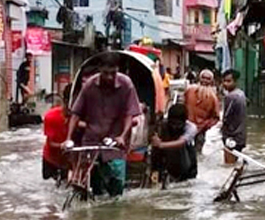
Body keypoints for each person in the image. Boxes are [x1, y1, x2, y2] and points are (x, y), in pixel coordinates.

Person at [66, 52, 142, 198]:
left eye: (113, 73)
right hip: (92, 139)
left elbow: (129, 114)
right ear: (99, 69)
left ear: (117, 70)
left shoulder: (126, 85)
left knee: (117, 182)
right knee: (86, 182)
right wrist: (68, 138)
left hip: (115, 141)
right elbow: (75, 113)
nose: (109, 77)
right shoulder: (89, 86)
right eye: (106, 73)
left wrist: (122, 136)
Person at [150, 103, 198, 183]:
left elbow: (181, 142)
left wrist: (161, 145)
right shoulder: (162, 126)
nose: (174, 127)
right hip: (166, 161)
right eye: (172, 124)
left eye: (178, 125)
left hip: (186, 162)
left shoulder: (191, 128)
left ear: (184, 121)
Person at [184, 69, 220, 154]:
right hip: (186, 126)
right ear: (199, 78)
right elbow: (182, 105)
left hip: (200, 130)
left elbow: (216, 117)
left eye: (208, 79)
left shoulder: (213, 97)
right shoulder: (190, 90)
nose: (205, 81)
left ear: (211, 81)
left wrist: (204, 126)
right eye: (203, 78)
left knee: (197, 152)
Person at [220, 69, 247, 165]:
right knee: (234, 163)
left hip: (232, 136)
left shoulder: (231, 97)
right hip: (241, 136)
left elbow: (226, 118)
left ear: (235, 81)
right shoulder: (241, 94)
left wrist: (223, 132)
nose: (225, 84)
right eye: (224, 81)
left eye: (228, 81)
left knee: (228, 165)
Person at [42, 95, 70, 183]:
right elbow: (50, 142)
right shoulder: (51, 116)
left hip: (70, 159)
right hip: (51, 158)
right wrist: (61, 145)